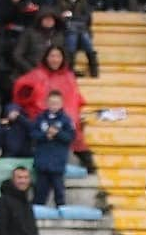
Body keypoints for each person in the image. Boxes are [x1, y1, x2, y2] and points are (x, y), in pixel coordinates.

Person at [12, 44, 93, 172]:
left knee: (74, 127)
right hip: (42, 117)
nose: (55, 59)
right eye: (52, 56)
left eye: (58, 56)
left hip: (66, 118)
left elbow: (75, 98)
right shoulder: (36, 75)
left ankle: (88, 163)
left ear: (63, 58)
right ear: (46, 58)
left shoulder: (68, 76)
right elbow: (21, 91)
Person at [30, 88, 73, 205]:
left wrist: (57, 133)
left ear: (62, 104)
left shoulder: (66, 120)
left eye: (57, 103)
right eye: (52, 103)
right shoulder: (40, 118)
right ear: (47, 103)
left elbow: (70, 137)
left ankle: (61, 210)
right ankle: (36, 214)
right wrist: (45, 136)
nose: (54, 106)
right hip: (42, 162)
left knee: (59, 192)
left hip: (58, 163)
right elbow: (33, 134)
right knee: (39, 192)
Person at [13, 8, 65, 77]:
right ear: (40, 19)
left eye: (51, 19)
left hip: (52, 74)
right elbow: (17, 55)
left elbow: (64, 56)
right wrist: (32, 71)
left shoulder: (59, 36)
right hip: (29, 72)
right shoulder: (28, 33)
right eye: (46, 18)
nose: (49, 21)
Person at [54, 0, 98, 78]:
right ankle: (92, 70)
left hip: (81, 27)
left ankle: (91, 70)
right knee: (73, 37)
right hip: (64, 28)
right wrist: (65, 18)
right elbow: (57, 15)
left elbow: (88, 18)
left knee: (83, 37)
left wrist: (74, 19)